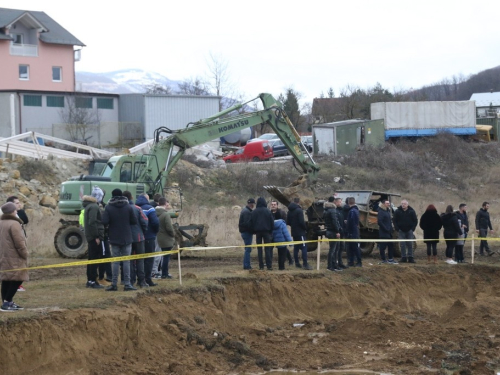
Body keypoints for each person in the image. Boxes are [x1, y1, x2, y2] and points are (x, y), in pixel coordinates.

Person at [101, 189, 138, 291]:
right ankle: (127, 284)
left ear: (112, 196)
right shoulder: (128, 207)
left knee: (116, 261)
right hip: (127, 236)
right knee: (126, 261)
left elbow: (104, 221)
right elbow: (134, 221)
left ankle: (114, 284)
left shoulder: (108, 207)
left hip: (114, 237)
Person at [0, 202, 28, 311]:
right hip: (14, 256)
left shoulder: (1, 222)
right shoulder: (14, 224)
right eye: (15, 209)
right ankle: (7, 301)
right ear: (12, 211)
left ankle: (6, 303)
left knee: (6, 278)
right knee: (18, 278)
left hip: (3, 255)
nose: (17, 210)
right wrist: (25, 253)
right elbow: (19, 242)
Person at [123, 191, 149, 288]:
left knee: (129, 260)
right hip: (139, 237)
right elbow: (145, 221)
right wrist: (143, 232)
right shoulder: (137, 208)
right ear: (132, 197)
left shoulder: (123, 209)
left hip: (127, 238)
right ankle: (141, 281)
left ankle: (130, 280)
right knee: (140, 260)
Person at [136, 193, 160, 286]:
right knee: (149, 259)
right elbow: (155, 222)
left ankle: (139, 279)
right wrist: (155, 232)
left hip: (138, 237)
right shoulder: (150, 208)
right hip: (149, 236)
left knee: (139, 259)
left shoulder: (135, 207)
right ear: (147, 199)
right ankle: (148, 279)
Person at [5, 196, 28, 292]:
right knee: (12, 269)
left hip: (18, 244)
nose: (19, 205)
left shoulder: (19, 214)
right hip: (11, 247)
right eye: (17, 203)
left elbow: (26, 220)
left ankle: (8, 299)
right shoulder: (8, 218)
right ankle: (8, 298)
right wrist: (23, 251)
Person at [82, 195, 105, 289]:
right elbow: (93, 222)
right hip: (95, 236)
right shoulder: (94, 207)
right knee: (95, 259)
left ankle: (90, 280)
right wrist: (97, 236)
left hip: (90, 236)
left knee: (91, 258)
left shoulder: (88, 206)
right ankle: (93, 281)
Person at [287, 197, 313, 270]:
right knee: (304, 247)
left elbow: (288, 222)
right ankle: (305, 264)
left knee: (296, 248)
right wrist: (306, 228)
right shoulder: (299, 210)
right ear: (299, 202)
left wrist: (293, 225)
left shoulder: (289, 211)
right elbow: (301, 222)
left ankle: (297, 263)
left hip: (294, 232)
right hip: (300, 232)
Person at [251, 197, 275, 270]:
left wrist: (254, 231)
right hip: (266, 232)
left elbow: (252, 222)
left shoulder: (254, 212)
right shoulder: (268, 211)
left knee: (259, 249)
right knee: (267, 249)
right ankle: (269, 265)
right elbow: (272, 222)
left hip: (258, 232)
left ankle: (261, 266)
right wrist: (271, 231)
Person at [156, 197, 176, 279]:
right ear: (165, 204)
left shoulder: (154, 212)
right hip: (166, 238)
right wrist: (173, 234)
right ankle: (165, 273)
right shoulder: (166, 214)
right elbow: (169, 227)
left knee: (159, 257)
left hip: (157, 237)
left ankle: (159, 272)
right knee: (166, 257)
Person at [270, 200, 293, 266]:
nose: (273, 205)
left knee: (283, 248)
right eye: (272, 204)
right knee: (270, 248)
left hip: (280, 233)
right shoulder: (269, 213)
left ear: (277, 205)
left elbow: (285, 221)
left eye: (274, 204)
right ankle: (269, 262)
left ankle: (290, 259)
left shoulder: (281, 212)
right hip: (271, 234)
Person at [323, 196, 342, 271]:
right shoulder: (333, 210)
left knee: (332, 249)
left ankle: (333, 265)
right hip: (333, 232)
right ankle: (331, 266)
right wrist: (337, 231)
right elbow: (335, 221)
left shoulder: (325, 210)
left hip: (329, 230)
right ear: (334, 201)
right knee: (334, 250)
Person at [377, 200, 398, 264]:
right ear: (383, 204)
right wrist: (386, 229)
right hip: (384, 233)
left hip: (389, 232)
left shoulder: (387, 211)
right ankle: (383, 259)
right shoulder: (381, 211)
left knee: (390, 246)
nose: (389, 204)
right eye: (387, 203)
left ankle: (390, 259)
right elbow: (380, 222)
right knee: (383, 247)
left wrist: (391, 229)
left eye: (389, 203)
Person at [239, 198, 255, 270]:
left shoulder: (245, 211)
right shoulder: (247, 212)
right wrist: (253, 230)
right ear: (252, 204)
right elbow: (247, 224)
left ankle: (247, 264)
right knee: (248, 249)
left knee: (247, 249)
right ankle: (247, 265)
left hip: (244, 232)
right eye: (253, 204)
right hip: (246, 232)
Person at [346, 197, 362, 267]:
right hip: (354, 231)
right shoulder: (356, 210)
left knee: (355, 248)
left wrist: (349, 230)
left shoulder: (352, 211)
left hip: (353, 232)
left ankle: (358, 262)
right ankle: (352, 262)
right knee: (352, 248)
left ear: (349, 203)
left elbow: (352, 222)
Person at [334, 197, 348, 269]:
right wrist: (338, 230)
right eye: (339, 202)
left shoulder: (341, 210)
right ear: (335, 202)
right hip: (338, 233)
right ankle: (336, 263)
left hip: (342, 232)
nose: (341, 203)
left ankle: (340, 262)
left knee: (341, 248)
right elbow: (336, 223)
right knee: (337, 248)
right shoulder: (335, 211)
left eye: (341, 201)